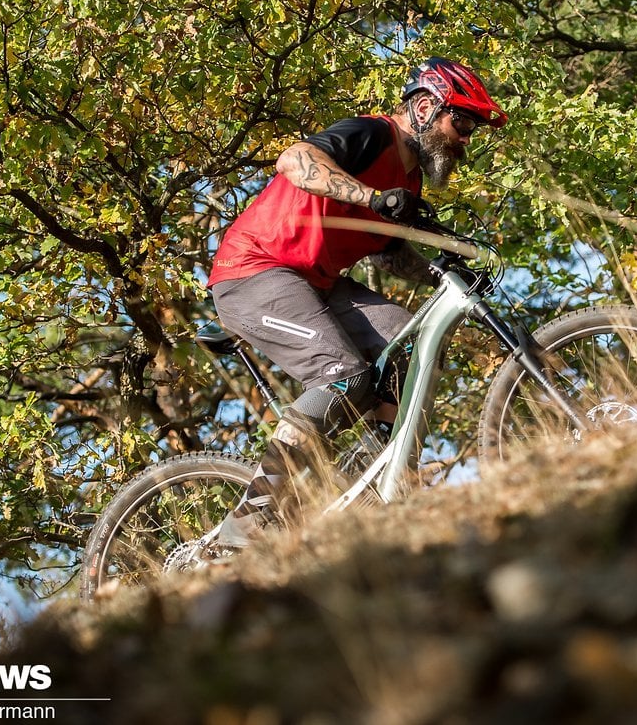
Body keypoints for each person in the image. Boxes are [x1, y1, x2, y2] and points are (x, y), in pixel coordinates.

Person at [206, 57, 507, 547]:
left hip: (317, 283)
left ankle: (375, 473)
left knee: (407, 342)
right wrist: (371, 197)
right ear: (426, 106)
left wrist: (443, 272)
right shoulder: (371, 133)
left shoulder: (408, 182)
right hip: (254, 272)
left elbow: (388, 252)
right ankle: (246, 524)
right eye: (462, 122)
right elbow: (295, 161)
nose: (465, 139)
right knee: (343, 373)